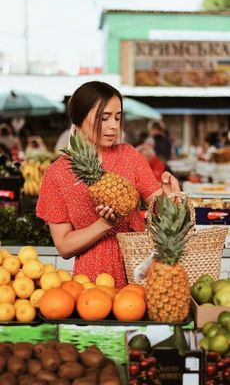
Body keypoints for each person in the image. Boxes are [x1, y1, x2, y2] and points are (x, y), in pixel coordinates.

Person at [36, 81, 180, 288]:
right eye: (104, 118)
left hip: (139, 267)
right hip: (90, 279)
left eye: (117, 117)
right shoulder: (56, 174)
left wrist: (169, 198)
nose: (113, 126)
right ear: (79, 118)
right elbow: (64, 246)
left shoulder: (129, 156)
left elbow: (162, 213)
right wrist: (104, 225)